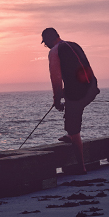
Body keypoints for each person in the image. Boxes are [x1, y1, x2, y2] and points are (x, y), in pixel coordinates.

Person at [41, 28, 100, 175]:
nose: (45, 46)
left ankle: (81, 167)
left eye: (45, 43)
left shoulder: (54, 51)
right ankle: (70, 134)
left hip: (78, 93)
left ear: (48, 40)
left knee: (74, 128)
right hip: (92, 88)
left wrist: (57, 99)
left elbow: (56, 79)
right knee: (72, 111)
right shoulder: (74, 44)